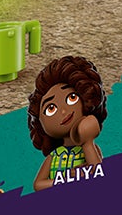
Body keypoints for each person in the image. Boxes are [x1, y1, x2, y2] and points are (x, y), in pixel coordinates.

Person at [27, 55, 107, 189]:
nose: (63, 111)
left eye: (72, 98)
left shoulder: (88, 149)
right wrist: (64, 180)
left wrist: (87, 141)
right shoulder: (54, 156)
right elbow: (38, 184)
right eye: (51, 108)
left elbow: (97, 172)